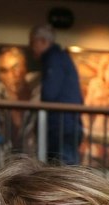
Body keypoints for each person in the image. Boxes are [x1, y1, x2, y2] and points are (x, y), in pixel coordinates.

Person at [28, 24, 84, 165]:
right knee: (64, 169)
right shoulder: (61, 58)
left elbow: (49, 93)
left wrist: (36, 100)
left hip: (61, 125)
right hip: (68, 124)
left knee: (62, 170)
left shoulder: (53, 58)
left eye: (33, 42)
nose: (31, 47)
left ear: (43, 41)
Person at [0, 44, 37, 163]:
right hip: (6, 165)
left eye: (16, 67)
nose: (13, 75)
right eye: (4, 70)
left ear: (25, 67)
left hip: (37, 166)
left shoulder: (40, 96)